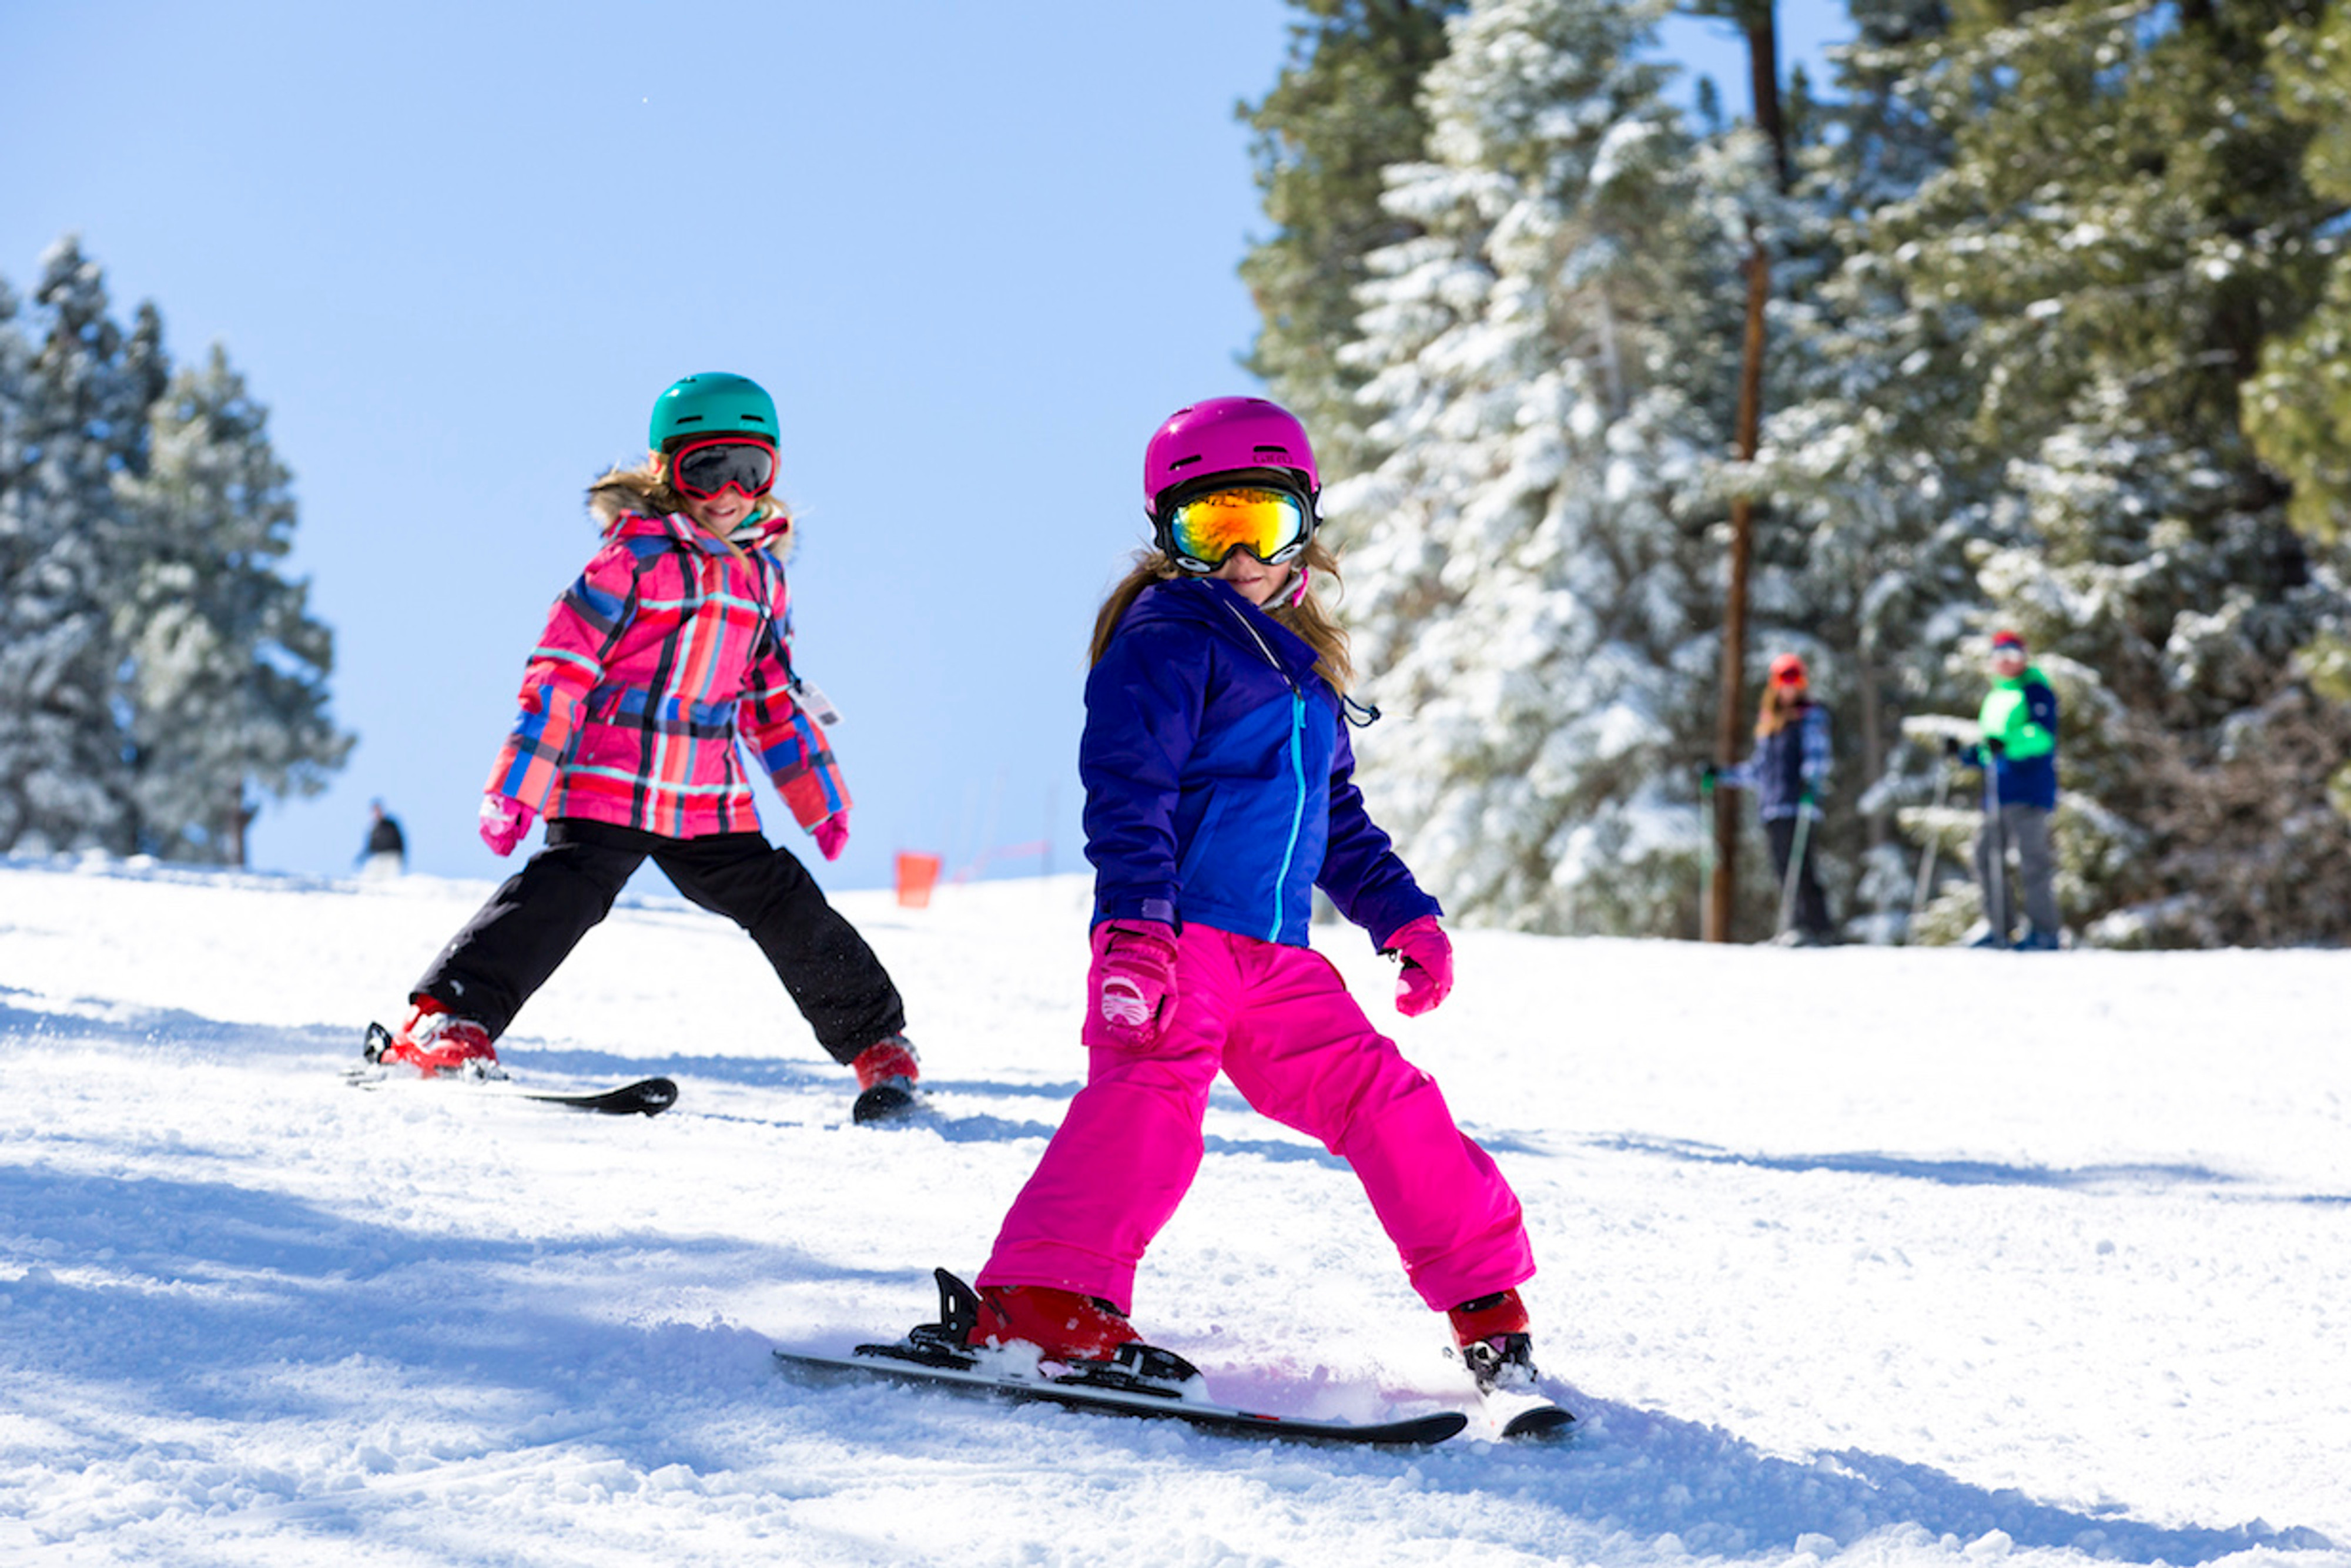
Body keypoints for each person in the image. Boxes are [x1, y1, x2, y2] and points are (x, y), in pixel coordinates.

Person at [956, 396, 1540, 1393]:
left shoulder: (1302, 670)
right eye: (1206, 529)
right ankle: (1044, 1297)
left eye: (1257, 525)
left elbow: (1339, 821)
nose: (1237, 557)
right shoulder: (1166, 639)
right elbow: (1130, 790)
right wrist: (1136, 930)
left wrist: (1403, 913)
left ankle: (1484, 1294)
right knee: (1148, 1105)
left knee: (1387, 1099)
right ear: (1166, 536)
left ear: (1302, 524)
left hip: (1278, 963)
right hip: (1175, 939)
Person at [369, 373, 923, 1123]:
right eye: (706, 469)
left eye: (750, 472)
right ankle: (449, 1022)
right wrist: (518, 785)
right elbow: (560, 670)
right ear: (668, 471)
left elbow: (768, 697)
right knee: (561, 895)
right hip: (610, 779)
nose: (728, 491)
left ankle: (877, 1044)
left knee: (787, 903)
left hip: (704, 798)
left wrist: (819, 800)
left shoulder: (764, 577)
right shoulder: (632, 557)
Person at [1705, 652, 1835, 945]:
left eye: (1794, 681)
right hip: (1773, 806)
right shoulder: (1770, 723)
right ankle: (1794, 926)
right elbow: (1758, 771)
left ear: (1802, 684)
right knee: (1781, 869)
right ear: (1774, 685)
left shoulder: (1811, 716)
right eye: (1783, 682)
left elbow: (1819, 757)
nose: (1789, 689)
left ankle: (1817, 927)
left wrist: (1809, 780)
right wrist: (1722, 775)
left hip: (1799, 803)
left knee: (1800, 866)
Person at [1947, 629, 2061, 951]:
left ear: (2024, 658)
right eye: (2000, 657)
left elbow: (2042, 737)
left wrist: (2007, 743)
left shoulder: (2036, 691)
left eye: (2013, 656)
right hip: (1997, 791)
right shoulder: (1996, 697)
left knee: (2032, 861)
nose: (2007, 663)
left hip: (2030, 788)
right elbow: (1991, 747)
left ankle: (2045, 931)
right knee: (1985, 855)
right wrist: (1967, 754)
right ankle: (2000, 926)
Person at [359, 800, 407, 880]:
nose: (377, 813)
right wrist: (362, 857)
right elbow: (371, 846)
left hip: (393, 857)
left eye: (379, 810)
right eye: (375, 811)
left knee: (391, 880)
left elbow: (401, 841)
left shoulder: (391, 825)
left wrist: (402, 856)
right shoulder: (374, 828)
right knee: (371, 878)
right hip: (380, 858)